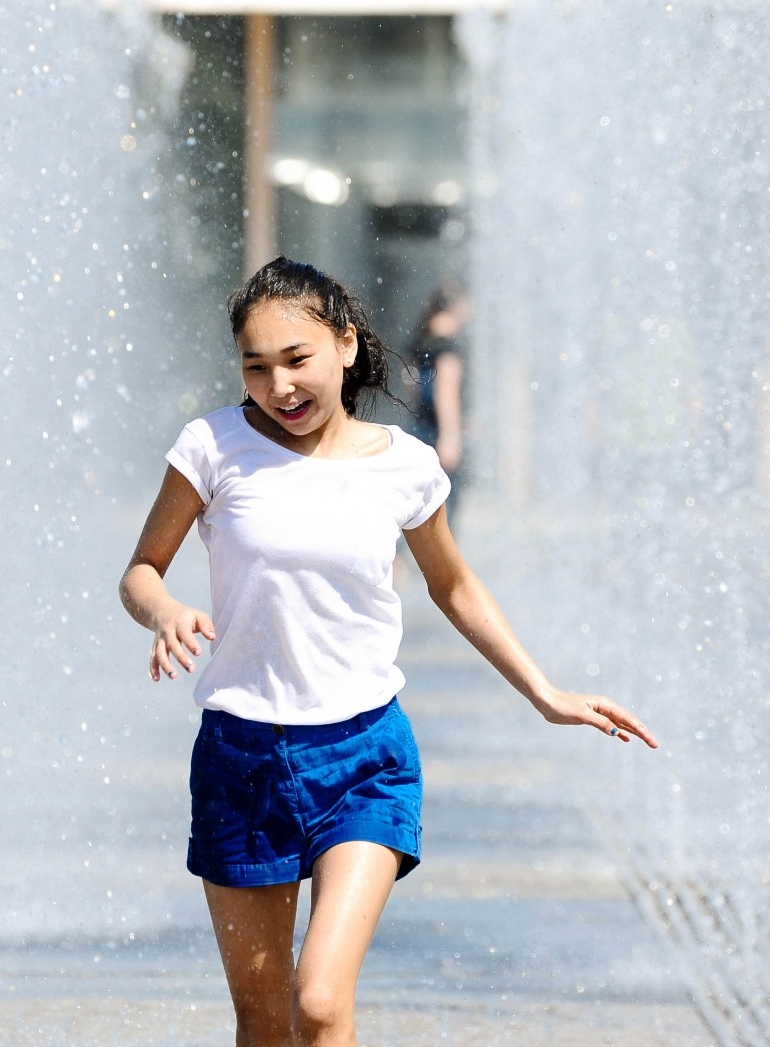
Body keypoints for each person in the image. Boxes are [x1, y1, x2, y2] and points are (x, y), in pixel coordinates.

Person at [118, 257, 658, 1047]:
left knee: (322, 1004)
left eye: (297, 361)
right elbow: (140, 570)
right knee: (263, 1022)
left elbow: (455, 586)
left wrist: (544, 693)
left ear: (344, 343)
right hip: (242, 755)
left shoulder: (403, 464)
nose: (279, 387)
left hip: (364, 753)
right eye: (256, 367)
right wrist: (162, 608)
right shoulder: (213, 447)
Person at [407, 282, 471, 525]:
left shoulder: (423, 337)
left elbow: (412, 385)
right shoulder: (448, 346)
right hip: (439, 431)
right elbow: (447, 391)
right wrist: (450, 436)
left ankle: (400, 558)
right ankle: (443, 561)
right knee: (446, 503)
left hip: (420, 428)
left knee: (417, 502)